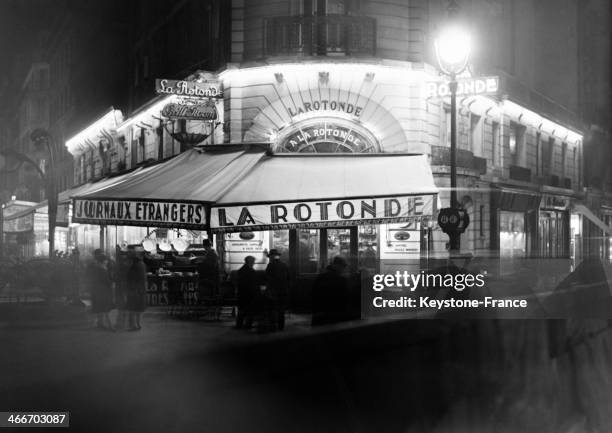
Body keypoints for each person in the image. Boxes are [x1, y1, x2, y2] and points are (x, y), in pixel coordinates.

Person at [312, 256, 350, 326]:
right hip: (334, 315)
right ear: (338, 266)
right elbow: (344, 299)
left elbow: (313, 294)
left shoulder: (320, 277)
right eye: (343, 266)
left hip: (319, 314)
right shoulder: (342, 280)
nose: (344, 269)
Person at [87, 249, 114, 331]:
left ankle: (100, 323)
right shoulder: (101, 269)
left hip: (97, 290)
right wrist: (111, 284)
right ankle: (108, 326)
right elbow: (106, 280)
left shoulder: (95, 267)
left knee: (100, 308)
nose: (107, 261)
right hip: (102, 291)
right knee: (105, 309)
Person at [265, 248, 290, 331]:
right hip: (283, 291)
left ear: (272, 256)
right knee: (281, 310)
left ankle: (273, 327)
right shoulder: (284, 265)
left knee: (272, 309)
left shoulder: (270, 265)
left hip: (274, 291)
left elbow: (267, 278)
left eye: (270, 257)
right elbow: (288, 278)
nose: (269, 258)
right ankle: (281, 326)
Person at [125, 250, 147, 331]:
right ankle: (138, 324)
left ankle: (133, 325)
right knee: (139, 309)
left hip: (134, 290)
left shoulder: (134, 266)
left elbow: (131, 279)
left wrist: (130, 289)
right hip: (141, 289)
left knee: (132, 309)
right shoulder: (142, 264)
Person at [235, 256, 258, 329]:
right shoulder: (250, 271)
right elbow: (252, 283)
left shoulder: (242, 270)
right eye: (253, 261)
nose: (254, 263)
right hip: (248, 293)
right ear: (249, 262)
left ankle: (239, 325)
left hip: (242, 293)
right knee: (249, 310)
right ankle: (247, 325)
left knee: (242, 310)